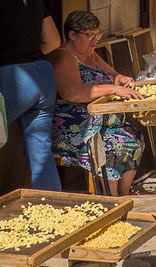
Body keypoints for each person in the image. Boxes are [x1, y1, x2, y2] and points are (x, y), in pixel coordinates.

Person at [49, 10, 144, 196]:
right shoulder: (64, 56)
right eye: (89, 35)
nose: (95, 40)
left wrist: (123, 80)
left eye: (96, 35)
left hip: (102, 124)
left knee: (135, 137)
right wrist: (113, 89)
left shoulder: (91, 55)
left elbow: (114, 77)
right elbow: (72, 92)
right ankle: (111, 200)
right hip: (74, 129)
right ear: (72, 35)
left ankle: (125, 197)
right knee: (114, 144)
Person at [0, 0, 62, 191]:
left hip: (15, 77)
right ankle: (53, 209)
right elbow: (53, 41)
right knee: (41, 150)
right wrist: (29, 53)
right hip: (43, 74)